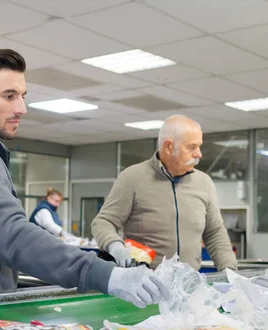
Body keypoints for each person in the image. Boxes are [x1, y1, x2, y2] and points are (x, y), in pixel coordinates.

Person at [0, 45, 170, 309]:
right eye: (9, 96)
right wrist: (106, 275)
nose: (22, 108)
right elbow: (12, 235)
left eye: (22, 96)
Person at [92, 115, 238, 271]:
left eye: (199, 146)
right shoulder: (132, 178)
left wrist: (229, 273)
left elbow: (215, 232)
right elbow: (103, 222)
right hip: (143, 286)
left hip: (188, 285)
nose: (199, 154)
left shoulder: (204, 183)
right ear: (168, 146)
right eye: (192, 147)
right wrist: (114, 245)